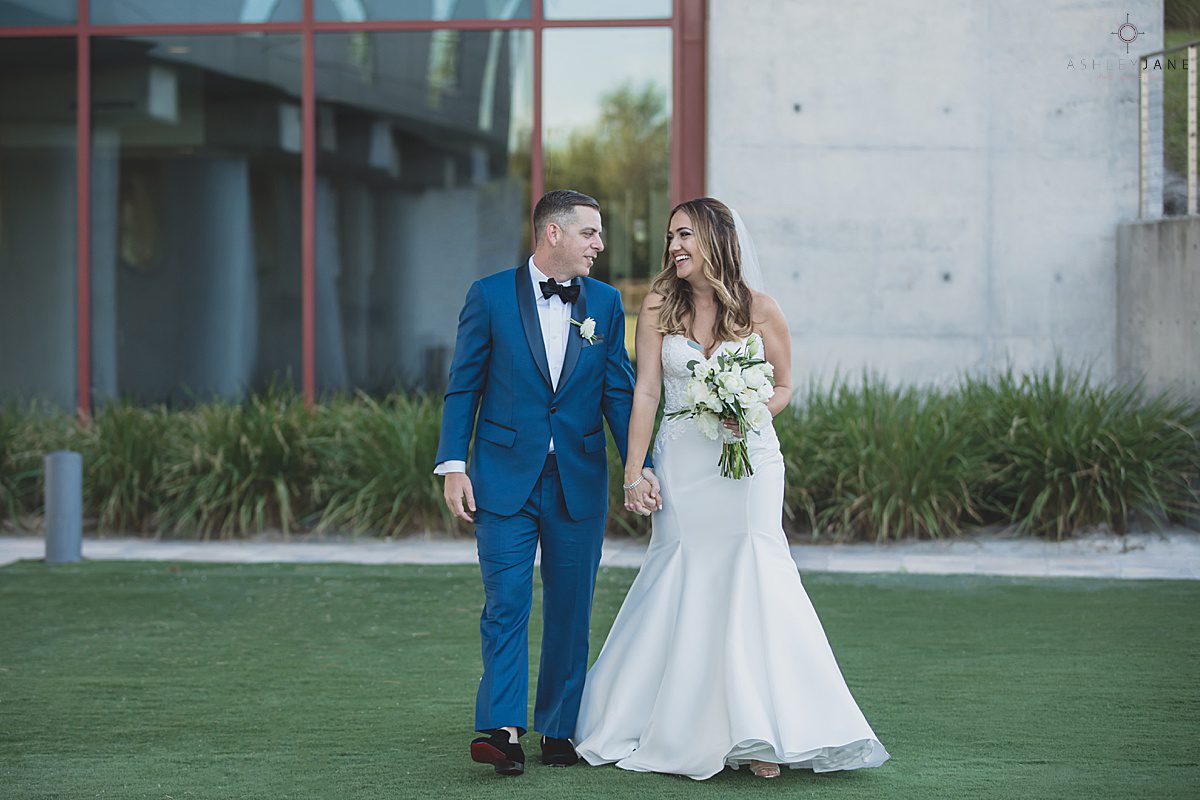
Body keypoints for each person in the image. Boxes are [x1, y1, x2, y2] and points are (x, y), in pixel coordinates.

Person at [572, 197, 890, 780]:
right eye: (670, 236)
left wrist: (747, 412)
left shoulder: (762, 310)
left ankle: (760, 732)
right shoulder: (659, 306)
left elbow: (785, 386)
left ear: (717, 239)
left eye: (685, 235)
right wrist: (634, 469)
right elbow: (645, 392)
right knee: (685, 574)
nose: (673, 247)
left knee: (754, 576)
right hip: (683, 464)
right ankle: (681, 725)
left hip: (750, 467)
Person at [435, 189, 659, 777]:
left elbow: (618, 391)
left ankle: (559, 727)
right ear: (552, 233)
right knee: (505, 603)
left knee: (570, 606)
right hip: (503, 478)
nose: (600, 245)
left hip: (578, 479)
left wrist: (641, 465)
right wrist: (452, 463)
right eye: (591, 233)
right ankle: (503, 730)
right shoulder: (487, 297)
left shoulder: (608, 305)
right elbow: (464, 385)